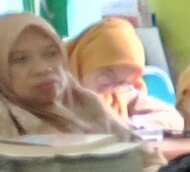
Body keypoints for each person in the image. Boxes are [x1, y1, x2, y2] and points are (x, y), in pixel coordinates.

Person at [0, 14, 141, 141]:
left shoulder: (84, 103)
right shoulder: (5, 120)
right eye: (20, 59)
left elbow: (144, 157)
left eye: (51, 54)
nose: (43, 69)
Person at [66, 16, 184, 134]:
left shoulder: (118, 94)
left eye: (123, 82)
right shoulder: (54, 98)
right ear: (82, 61)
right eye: (106, 75)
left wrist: (134, 125)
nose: (110, 88)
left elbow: (174, 118)